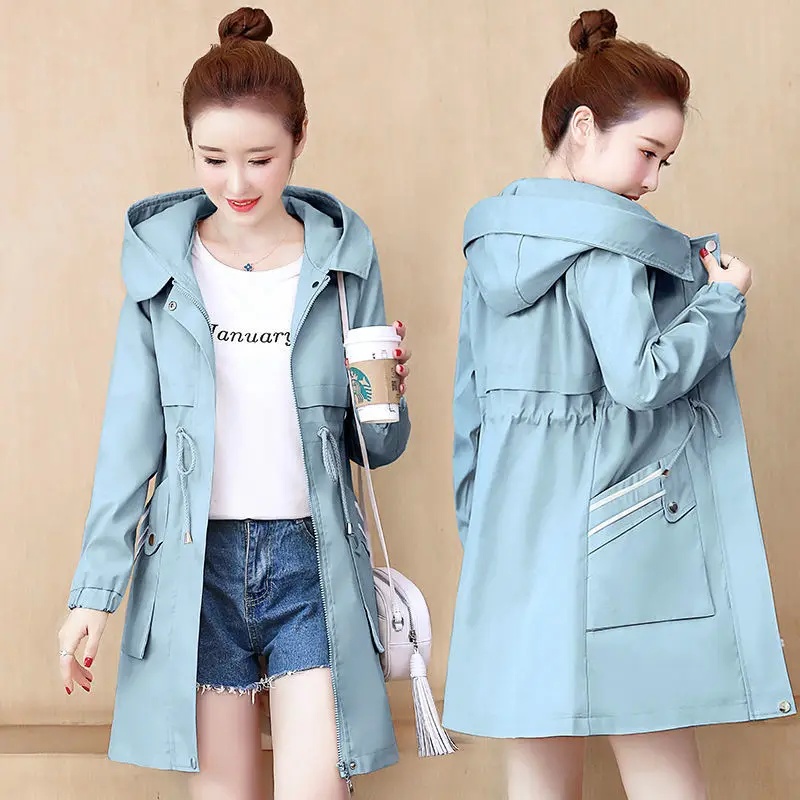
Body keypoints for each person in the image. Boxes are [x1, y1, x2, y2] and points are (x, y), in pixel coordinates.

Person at [57, 7, 413, 798]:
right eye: (212, 159)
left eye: (260, 158)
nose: (237, 183)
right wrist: (93, 596)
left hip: (312, 560)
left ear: (300, 139)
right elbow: (128, 445)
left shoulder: (345, 265)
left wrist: (384, 393)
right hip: (197, 567)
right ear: (189, 145)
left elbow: (380, 450)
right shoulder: (163, 271)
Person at [444, 9, 793, 799]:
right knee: (663, 773)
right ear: (584, 127)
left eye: (665, 160)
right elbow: (642, 378)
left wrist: (484, 532)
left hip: (514, 540)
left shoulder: (491, 245)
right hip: (619, 533)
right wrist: (722, 302)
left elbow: (470, 410)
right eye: (647, 151)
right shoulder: (607, 239)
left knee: (539, 778)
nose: (653, 180)